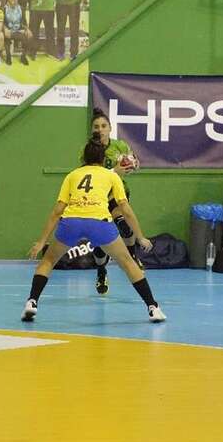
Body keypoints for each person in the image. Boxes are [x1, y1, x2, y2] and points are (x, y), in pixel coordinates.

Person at [22, 132, 165, 323]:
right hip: (99, 224)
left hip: (71, 222)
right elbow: (125, 209)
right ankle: (153, 308)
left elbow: (57, 211)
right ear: (103, 159)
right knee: (128, 263)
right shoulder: (111, 176)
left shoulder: (72, 175)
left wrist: (41, 242)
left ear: (83, 158)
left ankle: (32, 302)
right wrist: (140, 237)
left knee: (48, 261)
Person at [86, 108, 141, 295]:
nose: (100, 129)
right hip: (98, 198)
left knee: (124, 225)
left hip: (118, 194)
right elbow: (90, 175)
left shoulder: (119, 146)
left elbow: (135, 163)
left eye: (104, 126)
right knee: (100, 243)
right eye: (96, 127)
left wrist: (132, 164)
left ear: (110, 128)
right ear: (92, 130)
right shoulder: (89, 150)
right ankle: (101, 271)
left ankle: (132, 256)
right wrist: (114, 171)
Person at [3, 0, 32, 66]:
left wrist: (27, 29)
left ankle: (23, 56)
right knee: (6, 35)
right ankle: (8, 56)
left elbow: (24, 22)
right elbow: (2, 22)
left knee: (29, 36)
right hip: (8, 30)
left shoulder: (21, 8)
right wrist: (5, 28)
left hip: (18, 30)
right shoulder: (4, 9)